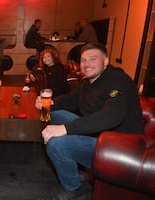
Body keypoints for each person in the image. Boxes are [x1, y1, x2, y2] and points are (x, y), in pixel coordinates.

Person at [35, 42, 144, 200]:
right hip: (98, 133)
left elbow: (111, 116)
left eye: (93, 59)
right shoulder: (88, 83)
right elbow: (70, 99)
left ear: (105, 61)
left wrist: (65, 129)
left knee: (56, 144)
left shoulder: (119, 81)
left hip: (118, 144)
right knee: (54, 113)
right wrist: (50, 103)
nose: (87, 64)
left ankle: (73, 189)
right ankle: (72, 164)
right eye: (83, 60)